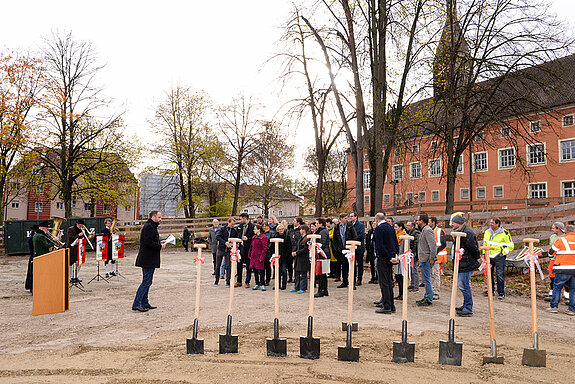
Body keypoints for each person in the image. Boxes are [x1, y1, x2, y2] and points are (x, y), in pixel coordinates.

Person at [132, 211, 166, 312]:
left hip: (150, 258)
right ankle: (137, 303)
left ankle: (144, 303)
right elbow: (148, 242)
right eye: (159, 217)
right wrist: (160, 246)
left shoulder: (151, 226)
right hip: (147, 259)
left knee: (148, 281)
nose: (160, 219)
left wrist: (159, 242)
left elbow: (151, 240)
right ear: (153, 217)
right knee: (146, 281)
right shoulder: (149, 227)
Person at [451, 214, 480, 317]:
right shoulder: (458, 232)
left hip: (467, 263)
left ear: (458, 223)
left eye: (453, 223)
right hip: (461, 264)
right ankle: (465, 305)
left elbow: (474, 249)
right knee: (462, 285)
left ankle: (468, 308)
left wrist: (475, 259)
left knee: (463, 285)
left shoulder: (468, 233)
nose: (452, 224)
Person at [373, 212, 399, 314]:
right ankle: (391, 305)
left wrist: (388, 257)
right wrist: (395, 254)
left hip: (383, 257)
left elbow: (380, 246)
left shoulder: (379, 229)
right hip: (390, 256)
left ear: (376, 219)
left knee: (384, 283)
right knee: (388, 281)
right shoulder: (390, 227)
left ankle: (387, 305)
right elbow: (395, 242)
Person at [483, 217, 514, 299]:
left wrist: (502, 253)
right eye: (490, 222)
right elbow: (485, 243)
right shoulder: (487, 232)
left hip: (499, 256)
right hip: (489, 256)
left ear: (497, 224)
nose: (490, 224)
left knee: (499, 275)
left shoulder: (505, 233)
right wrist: (484, 254)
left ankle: (501, 293)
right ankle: (491, 290)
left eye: (492, 223)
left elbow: (511, 246)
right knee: (489, 274)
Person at [547, 225, 575, 315]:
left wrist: (550, 254)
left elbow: (551, 252)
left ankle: (554, 307)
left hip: (562, 268)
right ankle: (572, 309)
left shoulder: (561, 240)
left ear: (565, 232)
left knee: (557, 287)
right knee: (573, 289)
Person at [415, 213, 437, 306]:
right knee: (425, 280)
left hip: (427, 259)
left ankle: (428, 298)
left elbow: (433, 245)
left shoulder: (427, 230)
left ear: (422, 221)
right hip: (423, 258)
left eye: (418, 220)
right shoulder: (423, 230)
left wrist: (432, 257)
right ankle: (427, 296)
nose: (417, 221)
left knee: (426, 280)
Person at [333, 213, 358, 288]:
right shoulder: (337, 227)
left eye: (347, 218)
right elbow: (335, 239)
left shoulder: (350, 226)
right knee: (344, 266)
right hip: (341, 250)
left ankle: (353, 283)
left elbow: (355, 236)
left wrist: (351, 246)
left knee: (352, 266)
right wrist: (337, 249)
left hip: (349, 249)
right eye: (345, 218)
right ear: (341, 219)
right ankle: (345, 281)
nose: (347, 220)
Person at [215, 218, 239, 287]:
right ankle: (216, 279)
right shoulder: (222, 229)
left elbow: (236, 238)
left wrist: (232, 243)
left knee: (228, 266)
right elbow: (217, 237)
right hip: (221, 249)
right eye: (231, 224)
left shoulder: (234, 231)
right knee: (218, 265)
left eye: (233, 224)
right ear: (228, 223)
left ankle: (228, 281)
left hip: (228, 250)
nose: (232, 225)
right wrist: (224, 242)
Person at [548, 221, 567, 299]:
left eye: (553, 228)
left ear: (558, 229)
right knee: (552, 276)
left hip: (562, 261)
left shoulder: (565, 237)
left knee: (565, 278)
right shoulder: (552, 237)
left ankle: (567, 295)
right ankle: (552, 293)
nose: (552, 229)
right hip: (553, 260)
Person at [237, 212, 255, 288]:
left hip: (248, 248)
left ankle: (247, 281)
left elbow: (255, 237)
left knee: (248, 265)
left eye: (241, 219)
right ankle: (239, 281)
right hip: (241, 247)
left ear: (245, 219)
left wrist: (248, 239)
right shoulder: (239, 226)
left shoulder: (252, 226)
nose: (240, 220)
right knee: (239, 264)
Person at [292, 224, 311, 293]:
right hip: (298, 258)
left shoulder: (307, 238)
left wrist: (297, 252)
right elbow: (297, 246)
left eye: (301, 229)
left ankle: (303, 287)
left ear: (304, 230)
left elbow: (305, 249)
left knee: (303, 274)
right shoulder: (300, 238)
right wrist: (294, 252)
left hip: (304, 259)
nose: (300, 231)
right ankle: (296, 287)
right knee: (297, 273)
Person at [314, 218, 330, 298]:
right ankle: (324, 290)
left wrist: (316, 248)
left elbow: (322, 243)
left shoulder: (323, 232)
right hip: (322, 254)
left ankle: (321, 290)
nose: (315, 224)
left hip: (323, 254)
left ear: (321, 224)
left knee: (321, 273)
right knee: (323, 273)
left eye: (317, 223)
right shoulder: (320, 231)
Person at [249, 224, 268, 291]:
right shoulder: (253, 237)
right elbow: (251, 247)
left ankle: (263, 284)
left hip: (259, 256)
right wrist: (250, 255)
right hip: (253, 256)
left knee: (261, 271)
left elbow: (264, 248)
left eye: (255, 229)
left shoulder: (263, 237)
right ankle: (257, 284)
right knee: (255, 271)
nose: (254, 230)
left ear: (259, 230)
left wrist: (262, 257)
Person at [273, 224, 292, 290]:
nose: (281, 230)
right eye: (279, 229)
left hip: (284, 257)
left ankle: (284, 285)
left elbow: (289, 247)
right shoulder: (275, 237)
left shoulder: (287, 237)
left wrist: (287, 256)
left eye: (282, 229)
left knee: (284, 271)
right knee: (277, 272)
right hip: (277, 256)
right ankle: (277, 284)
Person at [349, 212, 366, 286]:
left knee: (359, 264)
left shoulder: (360, 225)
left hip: (359, 247)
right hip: (351, 247)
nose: (350, 218)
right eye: (350, 216)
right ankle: (353, 278)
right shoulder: (349, 225)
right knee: (352, 263)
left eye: (352, 216)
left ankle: (359, 279)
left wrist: (353, 239)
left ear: (356, 217)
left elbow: (361, 235)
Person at [405, 220, 421, 292]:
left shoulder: (416, 234)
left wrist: (414, 254)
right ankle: (412, 283)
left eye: (408, 225)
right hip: (410, 253)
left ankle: (416, 285)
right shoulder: (410, 233)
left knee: (414, 270)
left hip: (413, 254)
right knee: (411, 269)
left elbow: (416, 245)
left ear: (413, 226)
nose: (406, 226)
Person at [393, 221, 406, 299]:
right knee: (397, 275)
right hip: (397, 256)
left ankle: (402, 293)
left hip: (402, 257)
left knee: (401, 276)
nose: (395, 228)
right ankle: (400, 293)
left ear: (400, 227)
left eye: (396, 227)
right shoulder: (395, 235)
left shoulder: (404, 236)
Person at [288, 218, 303, 283]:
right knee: (289, 264)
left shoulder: (300, 230)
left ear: (298, 222)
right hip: (290, 248)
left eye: (295, 221)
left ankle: (296, 277)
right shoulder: (290, 230)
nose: (293, 222)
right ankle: (290, 277)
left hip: (296, 249)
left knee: (296, 264)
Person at [24, 225, 39, 293]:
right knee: (32, 272)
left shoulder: (32, 237)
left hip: (33, 256)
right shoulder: (32, 238)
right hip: (33, 256)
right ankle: (31, 286)